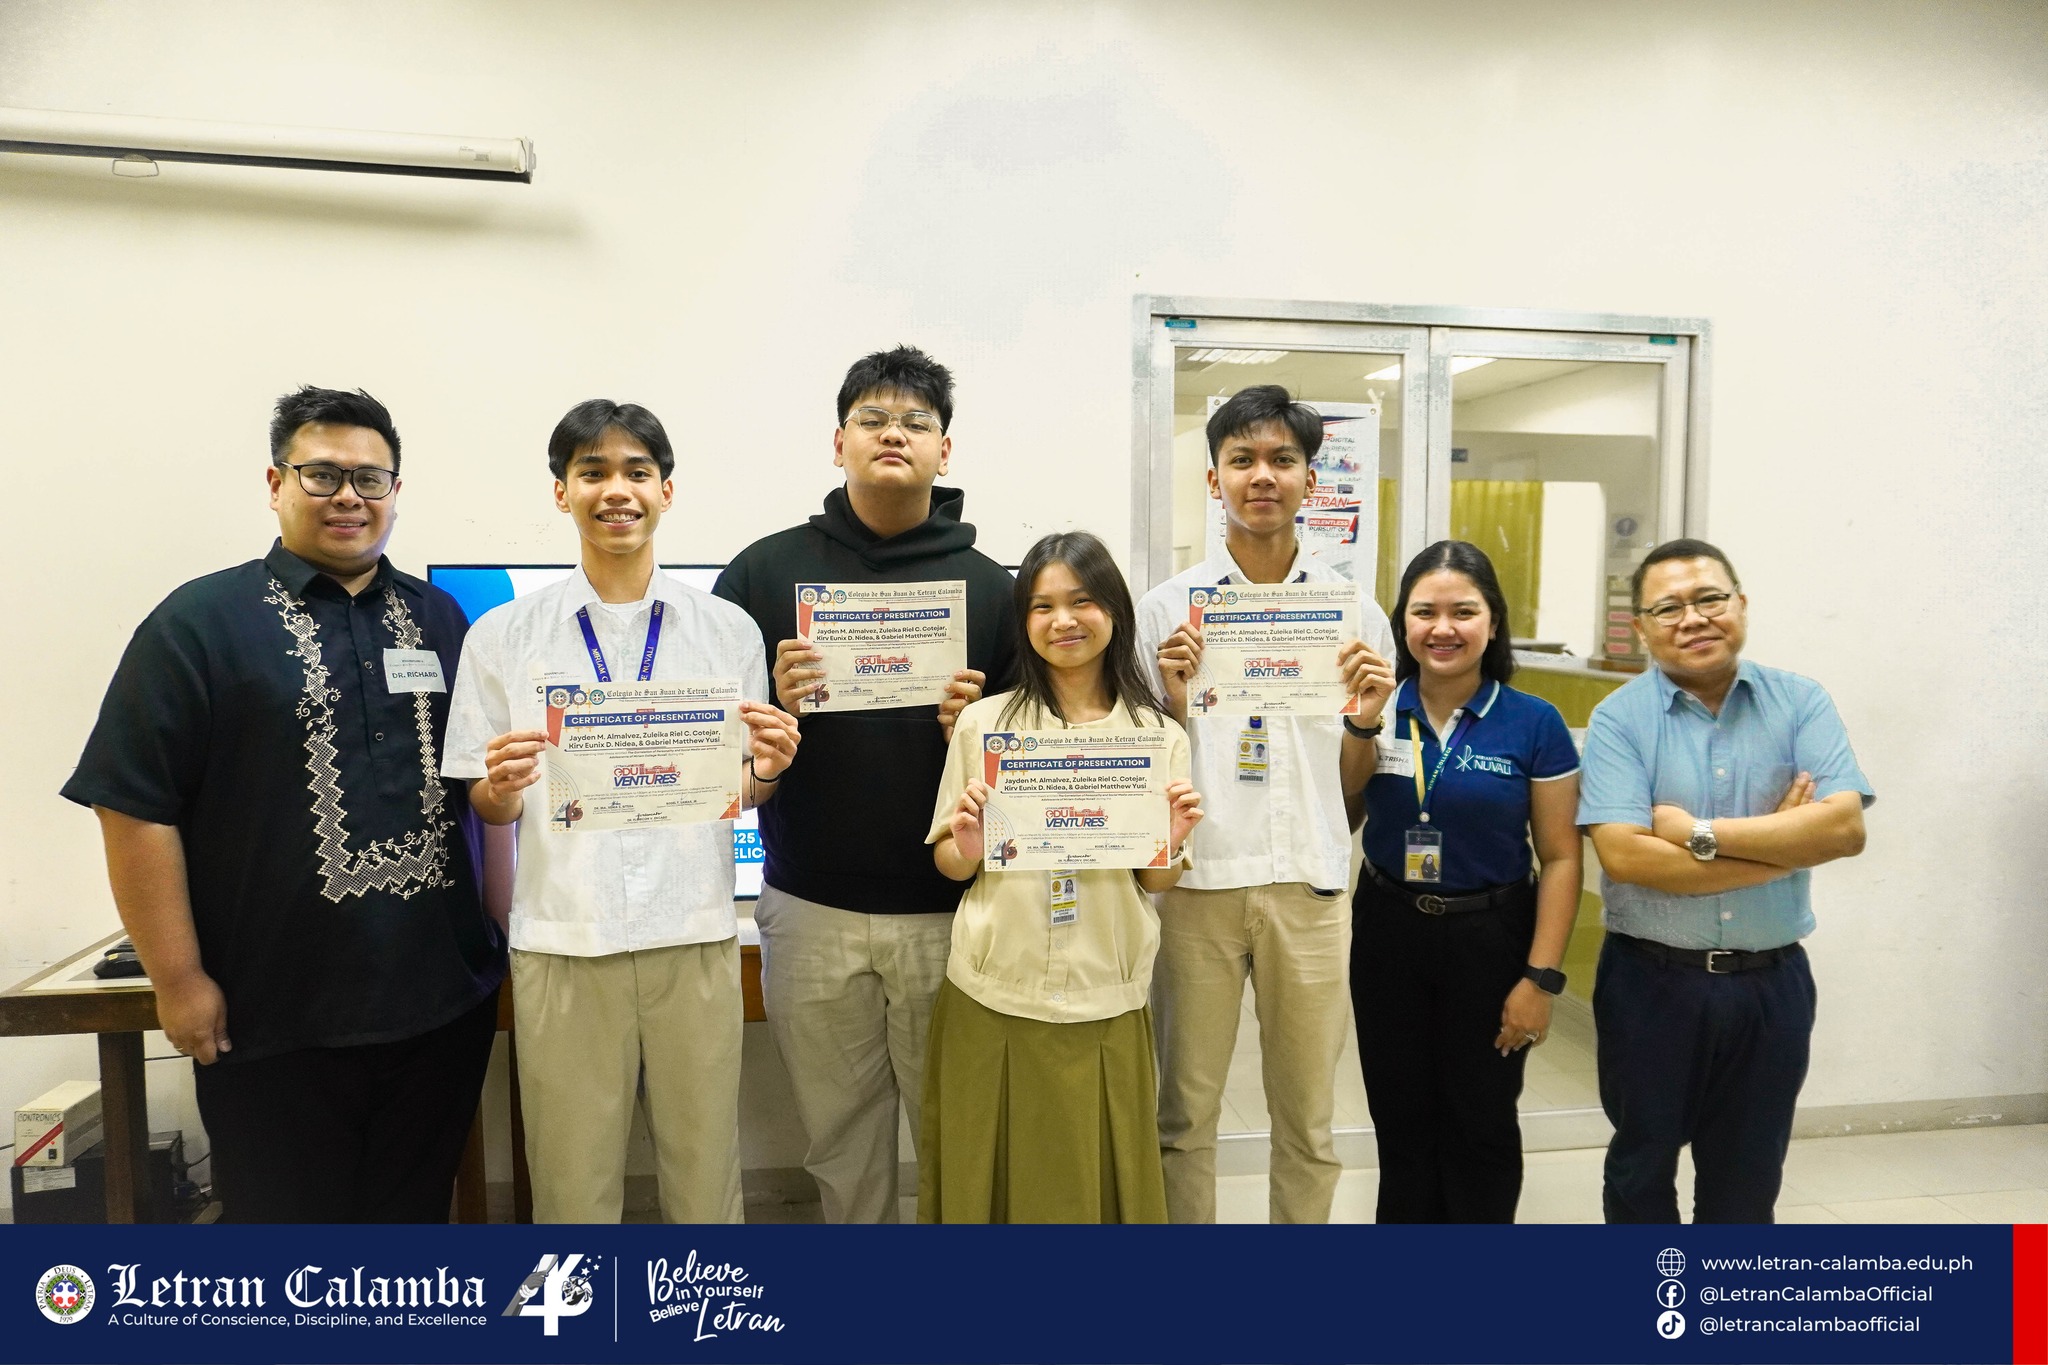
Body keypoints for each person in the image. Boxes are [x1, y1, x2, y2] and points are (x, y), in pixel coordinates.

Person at [61, 386, 505, 1222]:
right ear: (276, 482)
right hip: (270, 1021)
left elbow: (480, 788)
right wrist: (179, 979)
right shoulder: (199, 624)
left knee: (410, 1231)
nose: (348, 497)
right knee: (286, 1244)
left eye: (370, 479)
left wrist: (498, 935)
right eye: (322, 474)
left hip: (438, 1010)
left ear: (395, 492)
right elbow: (133, 804)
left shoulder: (441, 619)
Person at [442, 399, 800, 1223]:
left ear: (666, 491)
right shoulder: (503, 634)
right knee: (570, 1185)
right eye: (593, 471)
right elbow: (487, 803)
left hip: (695, 931)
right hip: (565, 938)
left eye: (637, 471)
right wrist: (501, 787)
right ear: (561, 491)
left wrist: (770, 771)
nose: (616, 490)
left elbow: (741, 788)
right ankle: (577, 1305)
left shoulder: (726, 630)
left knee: (707, 1178)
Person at [714, 346, 1018, 1222]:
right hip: (809, 907)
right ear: (838, 440)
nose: (894, 434)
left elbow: (1030, 761)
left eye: (916, 422)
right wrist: (777, 705)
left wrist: (976, 728)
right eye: (873, 419)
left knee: (953, 1132)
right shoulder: (762, 573)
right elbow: (715, 748)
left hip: (949, 913)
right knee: (839, 1141)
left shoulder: (993, 588)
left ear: (944, 450)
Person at [1138, 384, 1397, 1224]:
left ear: (1310, 480)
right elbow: (1146, 764)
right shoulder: (1166, 611)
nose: (1263, 476)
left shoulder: (1355, 615)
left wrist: (1364, 718)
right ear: (1213, 479)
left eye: (1283, 459)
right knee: (1183, 1118)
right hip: (1198, 888)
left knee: (1310, 1123)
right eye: (1242, 459)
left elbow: (1352, 784)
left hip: (1310, 888)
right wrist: (1175, 700)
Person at [1579, 537, 1870, 1223]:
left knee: (1748, 1179)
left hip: (1772, 985)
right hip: (1650, 983)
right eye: (1668, 607)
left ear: (1741, 603)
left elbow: (1844, 830)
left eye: (1709, 598)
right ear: (1642, 627)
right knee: (1640, 1169)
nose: (1693, 618)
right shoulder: (1619, 719)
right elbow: (1627, 859)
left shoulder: (1800, 702)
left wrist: (1694, 832)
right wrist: (1784, 843)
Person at [921, 531, 1203, 1222]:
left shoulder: (1157, 736)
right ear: (1023, 622)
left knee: (1097, 1192)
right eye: (1042, 606)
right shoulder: (984, 726)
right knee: (985, 1187)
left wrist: (1167, 844)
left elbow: (1155, 882)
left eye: (1082, 601)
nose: (1063, 621)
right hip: (995, 990)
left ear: (1114, 610)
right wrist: (968, 845)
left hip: (1106, 997)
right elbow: (949, 863)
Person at [1340, 540, 1584, 1223]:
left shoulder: (1533, 722)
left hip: (1491, 934)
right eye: (1424, 612)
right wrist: (1360, 722)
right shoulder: (1377, 706)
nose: (1442, 628)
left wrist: (1540, 979)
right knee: (1400, 1118)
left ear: (1493, 621)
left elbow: (1561, 857)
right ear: (1402, 623)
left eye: (1463, 612)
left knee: (1482, 1121)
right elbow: (1344, 810)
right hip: (1389, 929)